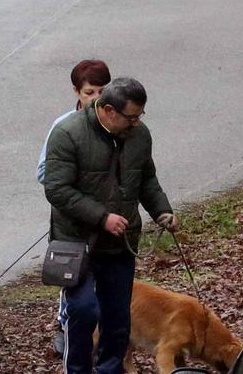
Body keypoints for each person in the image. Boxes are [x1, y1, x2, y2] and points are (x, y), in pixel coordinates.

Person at [42, 77, 178, 374]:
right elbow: (56, 189)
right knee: (83, 310)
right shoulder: (68, 133)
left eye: (140, 116)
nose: (136, 123)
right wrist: (102, 217)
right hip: (76, 243)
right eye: (131, 117)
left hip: (120, 245)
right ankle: (77, 369)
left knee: (117, 320)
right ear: (107, 110)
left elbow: (146, 180)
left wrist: (162, 211)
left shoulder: (139, 136)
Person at [37, 59, 112, 356]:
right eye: (89, 92)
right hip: (73, 219)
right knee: (72, 274)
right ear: (76, 92)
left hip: (109, 219)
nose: (96, 99)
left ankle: (104, 337)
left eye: (101, 92)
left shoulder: (118, 123)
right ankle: (65, 327)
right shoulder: (64, 127)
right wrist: (77, 185)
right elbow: (44, 173)